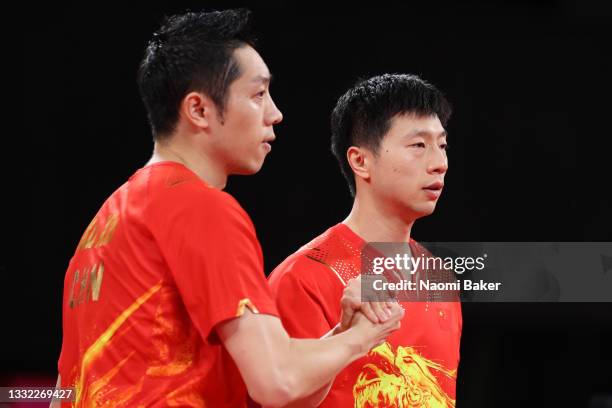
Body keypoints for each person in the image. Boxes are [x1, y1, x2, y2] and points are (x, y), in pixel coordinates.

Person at [54, 10, 403, 408]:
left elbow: (63, 388)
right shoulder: (199, 208)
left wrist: (343, 333)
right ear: (199, 110)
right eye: (258, 95)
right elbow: (277, 384)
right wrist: (365, 336)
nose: (275, 113)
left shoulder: (106, 221)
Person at [268, 74, 462, 407]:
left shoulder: (438, 277)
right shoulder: (303, 278)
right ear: (360, 161)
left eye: (441, 145)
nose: (439, 164)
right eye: (419, 145)